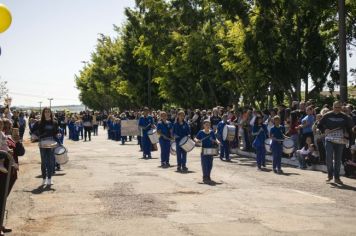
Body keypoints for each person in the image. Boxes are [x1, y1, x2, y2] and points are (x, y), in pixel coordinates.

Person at [317, 101, 354, 184]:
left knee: (338, 160)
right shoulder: (327, 115)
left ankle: (337, 177)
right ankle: (330, 175)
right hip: (329, 139)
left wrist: (347, 133)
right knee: (329, 157)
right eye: (336, 107)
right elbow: (319, 125)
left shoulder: (345, 117)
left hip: (340, 140)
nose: (337, 109)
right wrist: (324, 129)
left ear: (341, 108)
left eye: (339, 107)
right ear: (333, 107)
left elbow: (351, 127)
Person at [32, 108, 59, 185]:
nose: (47, 113)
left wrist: (58, 134)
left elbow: (56, 132)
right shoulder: (39, 123)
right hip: (42, 143)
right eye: (45, 112)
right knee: (44, 161)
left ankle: (50, 179)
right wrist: (34, 136)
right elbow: (33, 132)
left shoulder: (54, 122)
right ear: (43, 113)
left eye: (48, 112)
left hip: (51, 143)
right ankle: (44, 178)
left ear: (51, 113)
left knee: (50, 161)